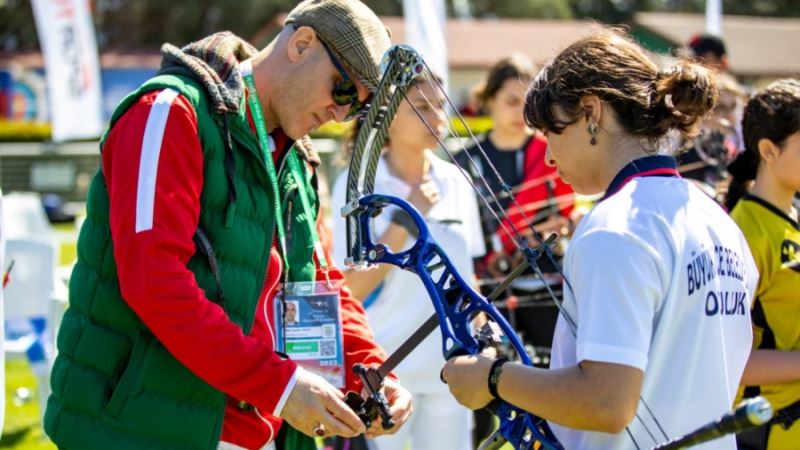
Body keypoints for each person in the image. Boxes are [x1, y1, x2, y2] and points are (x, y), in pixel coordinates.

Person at [43, 1, 412, 449]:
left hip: (257, 428)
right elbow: (153, 281)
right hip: (140, 429)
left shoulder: (298, 157)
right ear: (301, 44)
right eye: (343, 90)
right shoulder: (170, 111)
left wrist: (369, 370)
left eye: (357, 107)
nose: (341, 113)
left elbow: (318, 282)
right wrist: (281, 387)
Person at [442, 29, 758, 450]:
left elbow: (607, 402)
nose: (549, 155)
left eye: (552, 132)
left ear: (591, 111)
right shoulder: (718, 222)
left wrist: (493, 378)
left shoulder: (615, 229)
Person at [330, 75, 484, 450]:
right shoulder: (357, 190)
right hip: (383, 370)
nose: (437, 117)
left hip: (452, 368)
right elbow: (349, 289)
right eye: (421, 106)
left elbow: (468, 277)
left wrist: (482, 339)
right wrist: (405, 221)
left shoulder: (456, 181)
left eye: (440, 105)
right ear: (386, 117)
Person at [726, 79, 800, 450]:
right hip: (768, 432)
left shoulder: (792, 215)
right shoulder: (741, 233)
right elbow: (726, 359)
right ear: (769, 150)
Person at [456, 54, 575, 280]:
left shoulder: (553, 152)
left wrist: (565, 225)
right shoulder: (465, 160)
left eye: (528, 102)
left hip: (549, 283)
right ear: (490, 99)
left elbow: (569, 213)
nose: (521, 112)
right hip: (487, 283)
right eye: (512, 102)